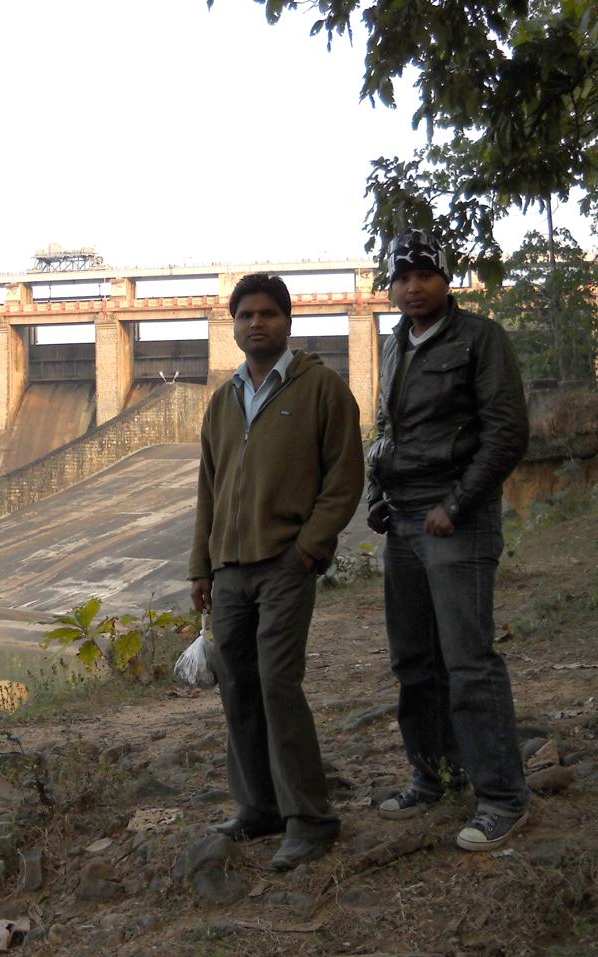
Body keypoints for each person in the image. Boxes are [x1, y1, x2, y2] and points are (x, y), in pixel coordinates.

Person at [189, 273, 364, 870]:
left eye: (267, 314)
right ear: (233, 326)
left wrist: (311, 549)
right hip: (230, 570)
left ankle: (310, 818)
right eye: (245, 316)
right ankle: (257, 807)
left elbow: (344, 478)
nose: (255, 324)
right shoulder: (223, 399)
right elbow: (208, 490)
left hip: (286, 563)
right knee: (237, 687)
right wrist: (201, 567)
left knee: (278, 684)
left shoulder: (321, 389)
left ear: (288, 322)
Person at [366, 229, 531, 851]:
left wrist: (456, 504)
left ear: (445, 279)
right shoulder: (394, 344)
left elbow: (507, 433)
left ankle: (503, 798)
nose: (412, 287)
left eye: (424, 275)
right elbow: (387, 428)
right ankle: (433, 775)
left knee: (468, 662)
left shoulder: (480, 339)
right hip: (403, 520)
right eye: (401, 277)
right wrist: (377, 493)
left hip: (454, 523)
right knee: (414, 661)